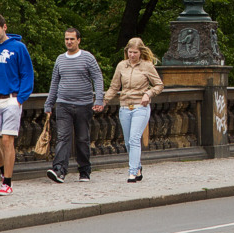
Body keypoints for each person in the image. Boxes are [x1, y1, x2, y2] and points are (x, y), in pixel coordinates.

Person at [0, 13, 34, 196]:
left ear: (4, 27)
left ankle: (8, 183)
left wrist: (21, 98)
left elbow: (27, 72)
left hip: (12, 98)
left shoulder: (18, 48)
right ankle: (4, 171)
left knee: (7, 140)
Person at [44, 28, 105, 183]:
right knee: (63, 138)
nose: (69, 42)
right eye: (66, 39)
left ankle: (84, 170)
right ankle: (59, 170)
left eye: (72, 39)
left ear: (78, 40)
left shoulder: (87, 57)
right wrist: (49, 103)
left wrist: (98, 100)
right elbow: (55, 82)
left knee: (82, 139)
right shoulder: (60, 59)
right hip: (63, 104)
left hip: (83, 105)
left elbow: (97, 78)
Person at [104, 37, 164, 182]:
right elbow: (114, 87)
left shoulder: (147, 66)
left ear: (140, 52)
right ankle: (137, 167)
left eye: (135, 52)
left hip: (140, 107)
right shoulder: (121, 66)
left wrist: (148, 93)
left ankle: (131, 172)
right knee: (128, 142)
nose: (132, 55)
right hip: (125, 105)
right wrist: (104, 101)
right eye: (130, 52)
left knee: (135, 138)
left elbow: (159, 85)